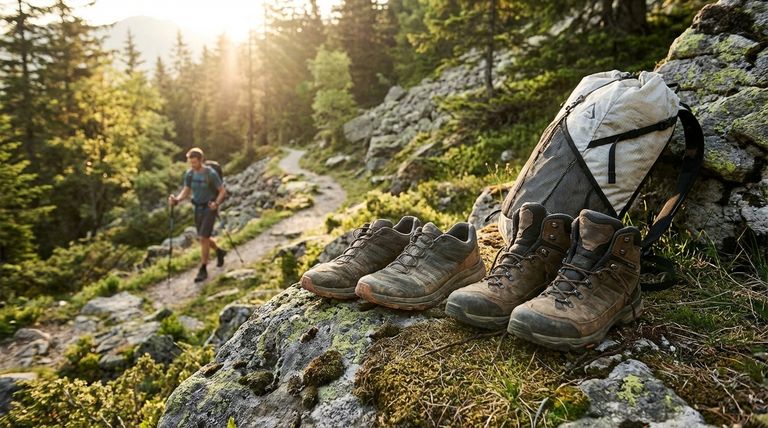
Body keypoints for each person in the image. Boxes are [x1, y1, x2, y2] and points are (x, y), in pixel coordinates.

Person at [168, 148, 227, 282]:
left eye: (195, 162)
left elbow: (222, 191)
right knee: (203, 236)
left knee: (203, 237)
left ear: (201, 160)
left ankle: (203, 268)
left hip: (209, 208)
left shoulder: (210, 173)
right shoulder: (190, 174)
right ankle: (219, 251)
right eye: (191, 163)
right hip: (197, 208)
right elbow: (186, 190)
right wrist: (177, 199)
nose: (193, 165)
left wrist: (216, 203)